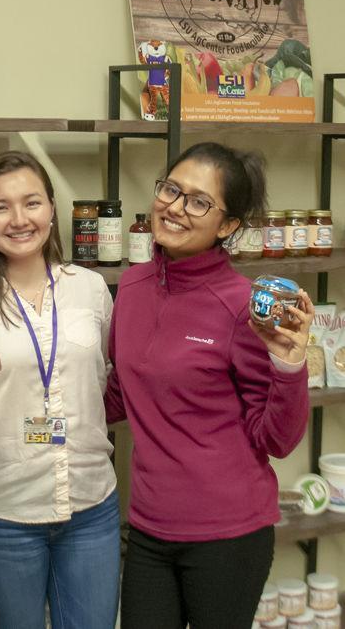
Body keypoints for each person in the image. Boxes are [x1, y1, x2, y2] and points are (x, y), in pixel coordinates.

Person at [105, 142, 314, 629]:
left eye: (198, 201)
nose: (175, 207)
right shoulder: (131, 288)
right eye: (171, 189)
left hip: (228, 533)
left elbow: (277, 440)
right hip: (149, 526)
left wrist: (290, 364)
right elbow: (121, 394)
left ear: (228, 226)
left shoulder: (241, 305)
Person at [0, 151, 121, 629]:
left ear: (52, 209)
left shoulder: (90, 288)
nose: (19, 219)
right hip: (2, 514)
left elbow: (100, 380)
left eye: (32, 202)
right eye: (1, 207)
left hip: (91, 506)